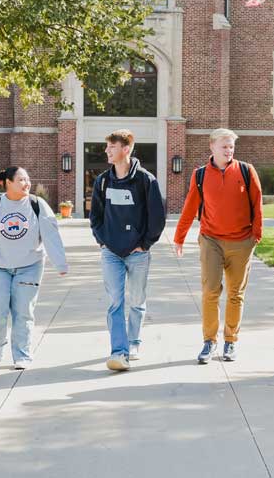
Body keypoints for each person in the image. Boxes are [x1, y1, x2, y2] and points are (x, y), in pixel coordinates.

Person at [174, 128, 263, 364]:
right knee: (210, 291)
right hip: (211, 239)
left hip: (242, 242)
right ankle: (209, 342)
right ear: (212, 147)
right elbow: (190, 207)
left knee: (236, 294)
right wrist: (179, 237)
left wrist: (256, 236)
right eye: (224, 146)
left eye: (231, 146)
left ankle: (230, 342)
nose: (229, 150)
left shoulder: (246, 171)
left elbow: (257, 202)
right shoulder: (200, 175)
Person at [0, 167, 68, 370]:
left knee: (23, 311)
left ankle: (22, 354)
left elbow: (51, 234)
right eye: (21, 179)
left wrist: (60, 263)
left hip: (29, 266)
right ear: (8, 183)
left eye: (28, 179)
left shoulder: (37, 204)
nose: (27, 183)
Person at [90, 129, 165, 372]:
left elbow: (157, 217)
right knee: (115, 302)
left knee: (136, 300)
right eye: (107, 147)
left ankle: (134, 342)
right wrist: (102, 240)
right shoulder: (102, 180)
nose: (107, 151)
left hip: (138, 253)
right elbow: (96, 216)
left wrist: (145, 243)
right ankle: (119, 352)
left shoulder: (146, 180)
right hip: (111, 252)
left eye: (112, 147)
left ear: (126, 149)